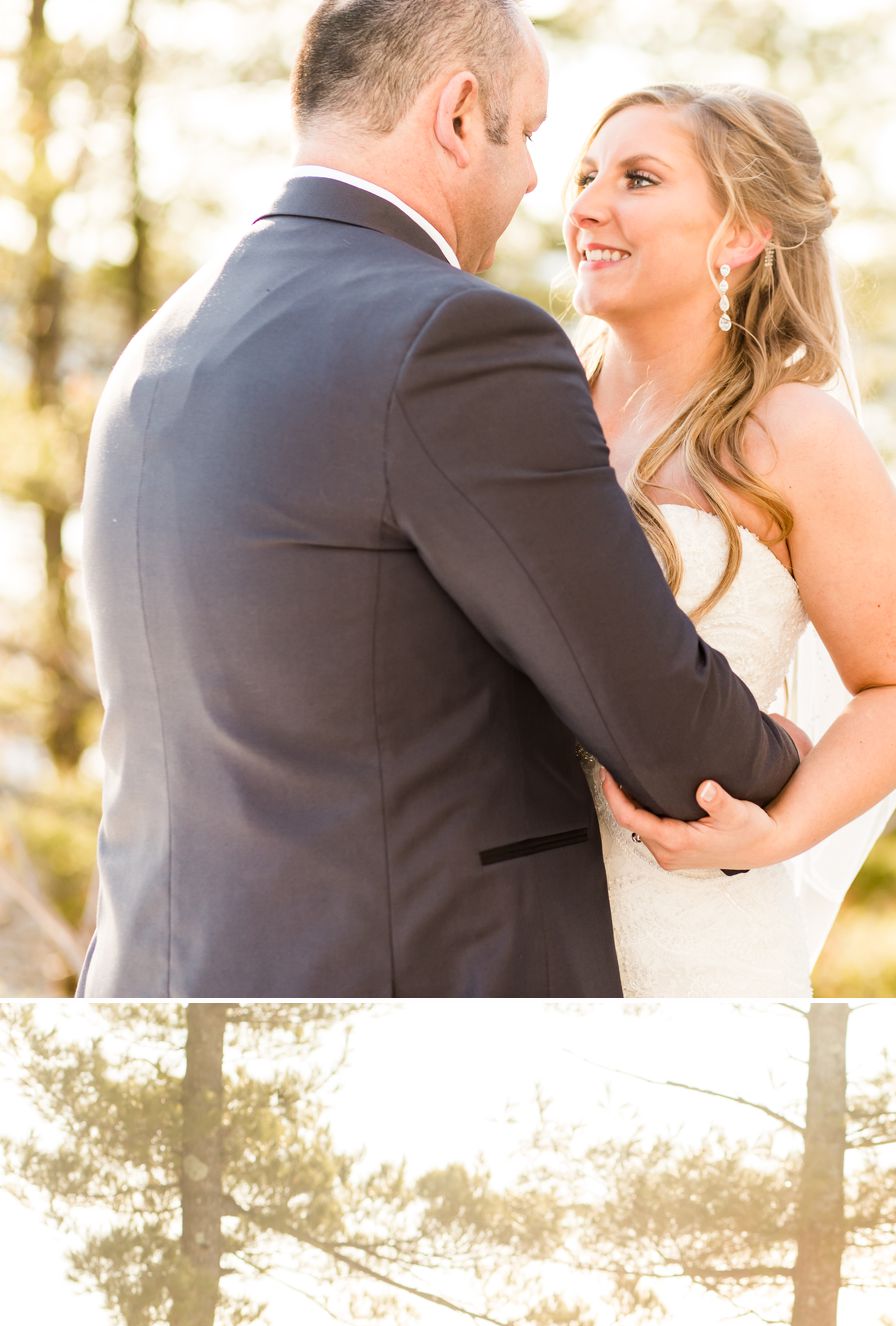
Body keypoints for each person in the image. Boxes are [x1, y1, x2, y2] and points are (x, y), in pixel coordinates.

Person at [76, 0, 803, 998]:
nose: (542, 182)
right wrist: (788, 754)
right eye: (533, 134)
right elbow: (667, 729)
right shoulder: (456, 338)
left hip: (156, 996)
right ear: (460, 116)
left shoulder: (157, 348)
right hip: (403, 1018)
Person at [567, 84, 896, 995]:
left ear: (738, 236)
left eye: (638, 178)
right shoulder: (527, 409)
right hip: (495, 930)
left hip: (694, 937)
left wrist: (775, 833)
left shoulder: (792, 437)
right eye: (587, 174)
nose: (586, 205)